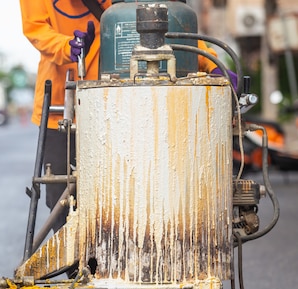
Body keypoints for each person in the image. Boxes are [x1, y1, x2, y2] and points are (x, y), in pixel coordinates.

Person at [19, 0, 234, 233]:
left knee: (129, 190)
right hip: (65, 105)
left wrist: (209, 60)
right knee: (61, 198)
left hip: (123, 105)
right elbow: (36, 29)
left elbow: (163, 19)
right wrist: (67, 46)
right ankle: (75, 267)